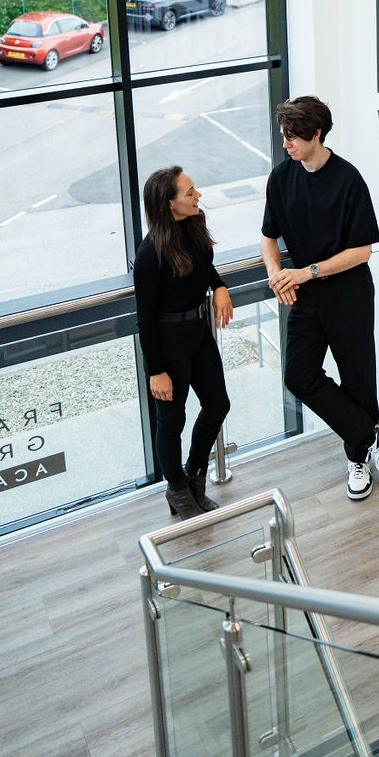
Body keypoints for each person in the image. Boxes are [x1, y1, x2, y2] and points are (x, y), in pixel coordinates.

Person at [260, 95, 379, 502]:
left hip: (349, 293)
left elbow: (362, 251)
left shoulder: (348, 180)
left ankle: (358, 460)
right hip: (305, 295)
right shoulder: (281, 178)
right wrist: (276, 275)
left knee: (358, 379)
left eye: (294, 137)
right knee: (298, 375)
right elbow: (268, 236)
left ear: (317, 134)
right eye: (284, 135)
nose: (286, 144)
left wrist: (305, 272)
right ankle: (370, 437)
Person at [134, 167, 233, 521]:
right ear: (168, 204)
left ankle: (194, 476)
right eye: (190, 192)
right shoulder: (150, 254)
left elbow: (204, 265)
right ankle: (177, 489)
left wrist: (219, 286)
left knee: (218, 404)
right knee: (171, 422)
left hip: (198, 331)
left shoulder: (194, 223)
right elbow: (144, 320)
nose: (198, 196)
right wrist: (156, 370)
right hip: (168, 341)